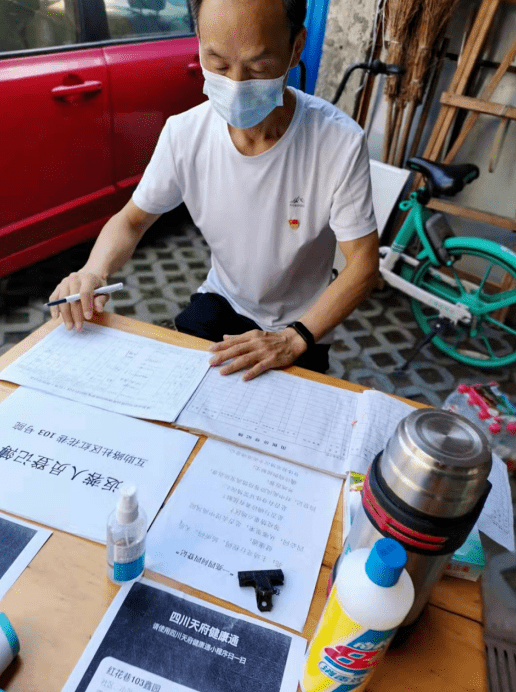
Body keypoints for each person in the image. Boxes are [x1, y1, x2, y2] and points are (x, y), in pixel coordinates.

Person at [49, 0, 379, 381]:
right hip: (224, 299)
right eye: (218, 64)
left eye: (258, 67)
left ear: (296, 48)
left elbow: (363, 264)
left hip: (302, 322)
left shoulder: (338, 143)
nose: (236, 86)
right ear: (199, 41)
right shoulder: (185, 135)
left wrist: (294, 339)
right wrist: (93, 271)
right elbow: (132, 221)